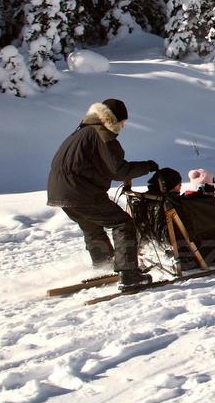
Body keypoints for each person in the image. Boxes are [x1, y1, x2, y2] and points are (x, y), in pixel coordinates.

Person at [47, 99, 159, 291]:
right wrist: (147, 166)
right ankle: (129, 275)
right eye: (123, 122)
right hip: (81, 192)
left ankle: (103, 267)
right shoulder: (102, 134)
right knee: (122, 223)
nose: (123, 127)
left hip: (60, 191)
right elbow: (119, 171)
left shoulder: (82, 131)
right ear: (115, 119)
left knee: (92, 227)